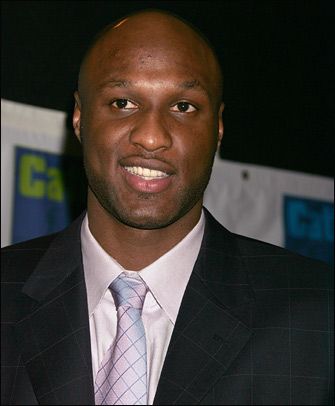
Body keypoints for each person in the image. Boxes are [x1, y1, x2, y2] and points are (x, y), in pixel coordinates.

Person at [1, 9, 333, 406]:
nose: (152, 136)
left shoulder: (319, 317)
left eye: (183, 107)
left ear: (219, 128)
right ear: (79, 116)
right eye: (123, 102)